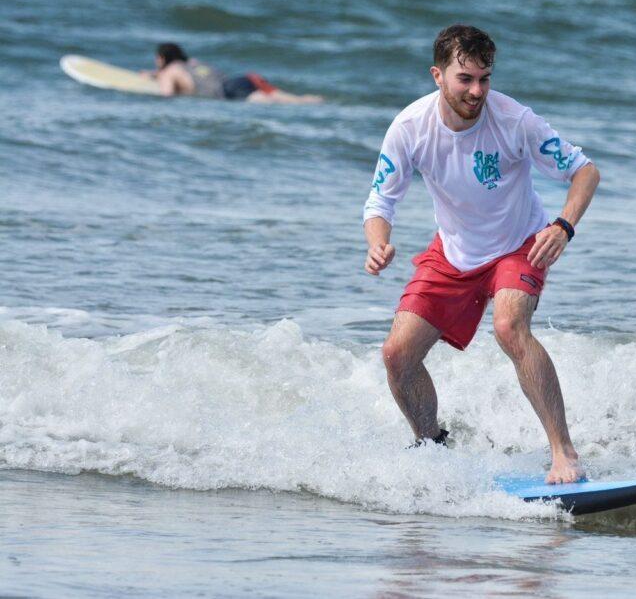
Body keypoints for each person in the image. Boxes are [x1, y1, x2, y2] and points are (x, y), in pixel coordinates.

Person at [363, 24, 600, 484]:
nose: (477, 91)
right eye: (465, 79)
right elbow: (379, 202)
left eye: (485, 78)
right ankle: (432, 447)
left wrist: (563, 225)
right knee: (397, 354)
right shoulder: (410, 128)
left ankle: (563, 454)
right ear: (438, 75)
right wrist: (378, 242)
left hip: (518, 244)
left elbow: (585, 172)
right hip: (454, 251)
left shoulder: (515, 120)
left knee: (510, 327)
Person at [143, 43, 322, 103]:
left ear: (161, 58)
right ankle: (314, 100)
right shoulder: (192, 63)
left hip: (230, 90)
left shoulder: (170, 72)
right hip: (246, 79)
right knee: (295, 101)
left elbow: (167, 95)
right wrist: (153, 74)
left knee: (265, 102)